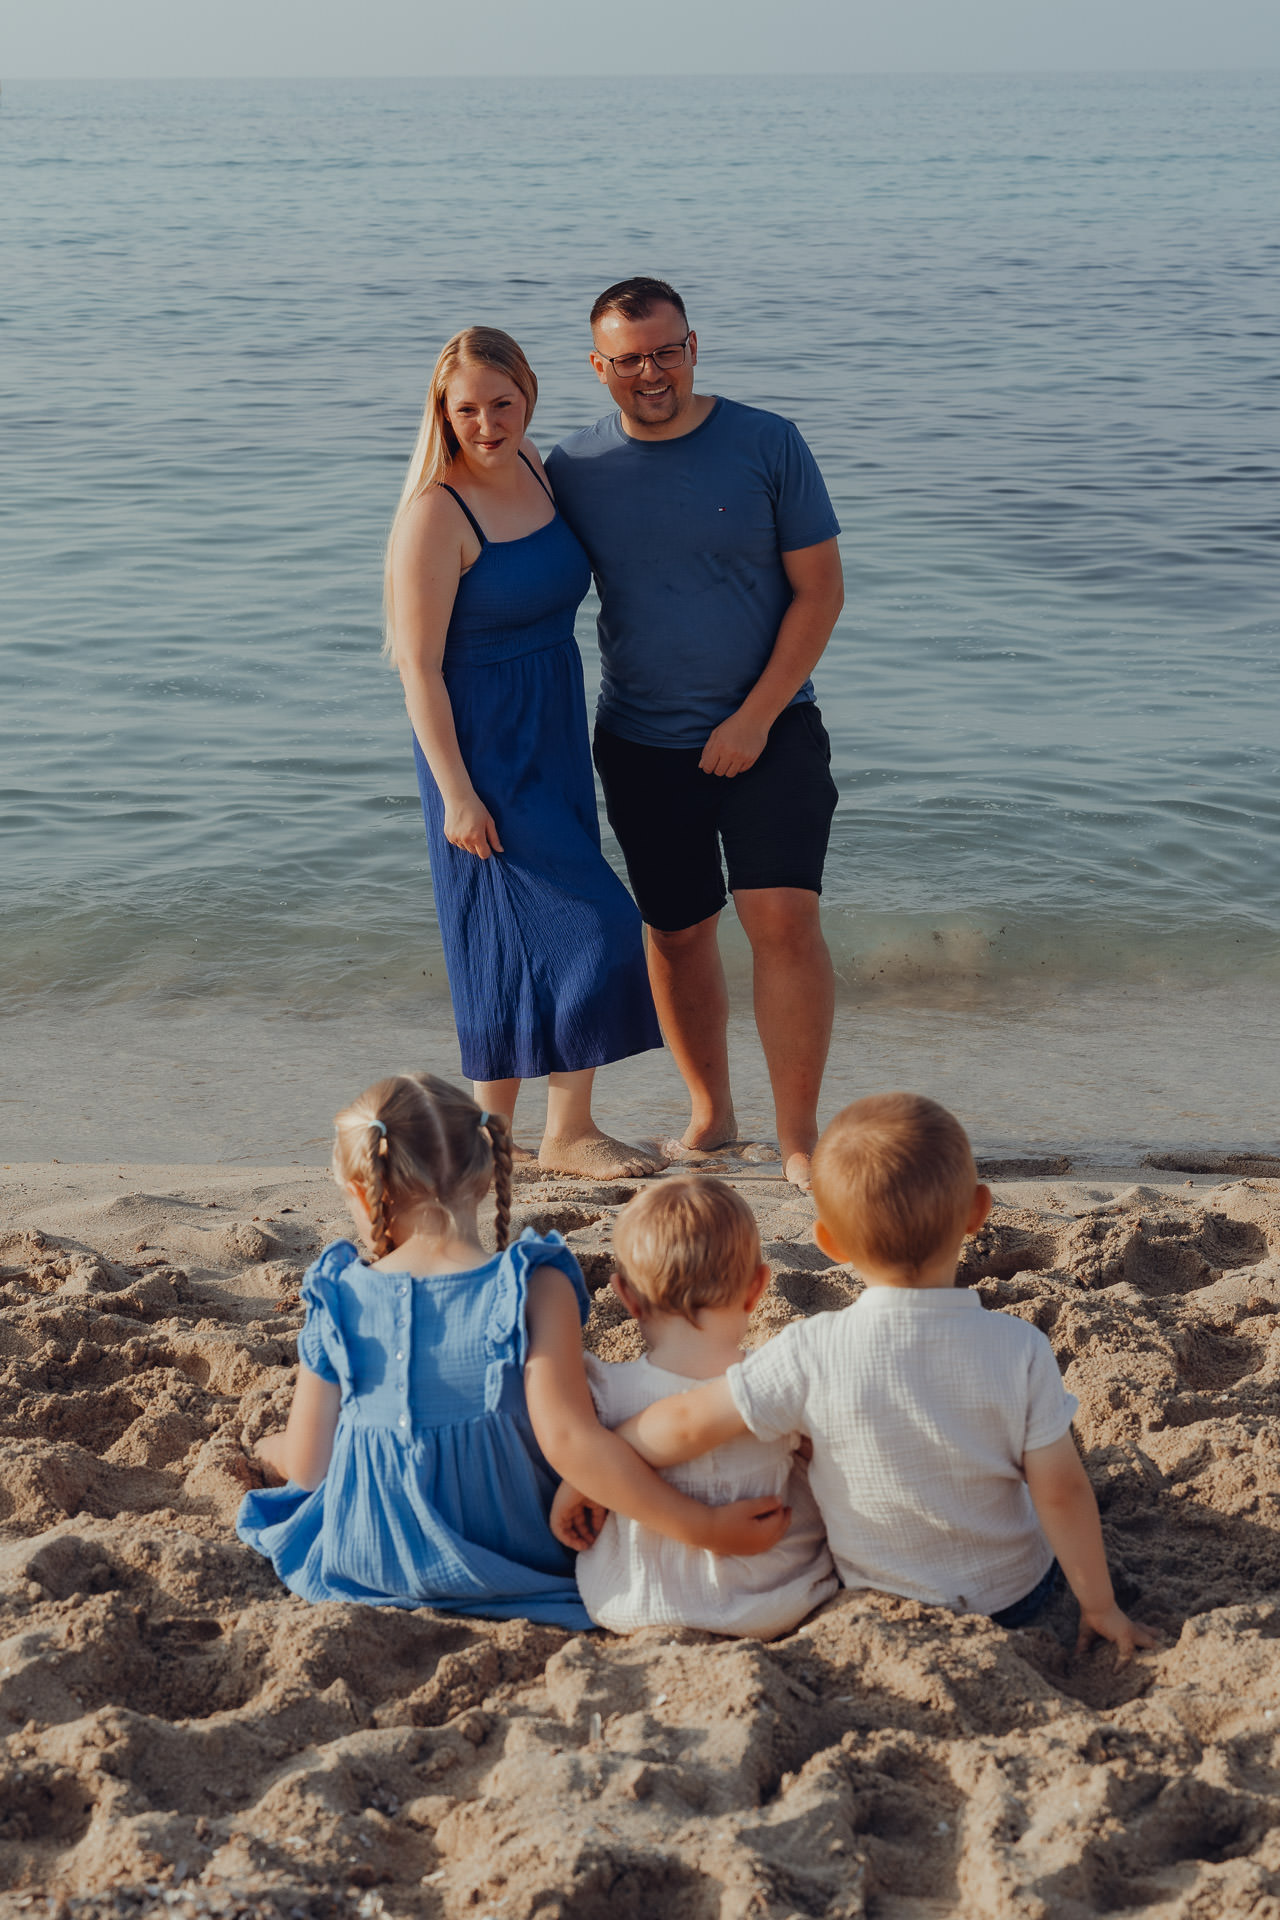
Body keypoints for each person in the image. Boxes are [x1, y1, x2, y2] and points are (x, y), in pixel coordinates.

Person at [610, 1093, 1159, 1658]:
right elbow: (1062, 1492)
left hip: (881, 1598)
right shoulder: (1020, 1348)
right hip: (1016, 1599)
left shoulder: (809, 1350)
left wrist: (602, 1462)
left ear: (829, 1244)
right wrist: (1099, 1606)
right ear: (977, 1212)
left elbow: (685, 1423)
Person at [235, 1073, 790, 1627]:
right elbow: (571, 1440)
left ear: (361, 1191)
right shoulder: (531, 1281)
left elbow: (310, 1471)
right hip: (515, 1553)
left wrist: (274, 1447)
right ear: (485, 1173)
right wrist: (702, 1527)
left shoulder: (336, 1289)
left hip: (369, 1559)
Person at [545, 278, 846, 1190]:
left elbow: (821, 590)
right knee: (675, 933)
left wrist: (753, 718)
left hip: (773, 726)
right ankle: (711, 1117)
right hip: (640, 740)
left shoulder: (767, 441)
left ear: (694, 347)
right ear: (598, 367)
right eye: (629, 358)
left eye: (667, 350)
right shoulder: (572, 468)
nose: (652, 372)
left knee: (782, 919)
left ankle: (799, 1137)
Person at [384, 327, 664, 1180]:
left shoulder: (537, 465)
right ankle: (568, 1132)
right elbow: (418, 669)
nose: (486, 423)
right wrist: (458, 794)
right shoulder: (438, 511)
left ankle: (490, 1138)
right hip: (481, 750)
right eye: (465, 408)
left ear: (529, 396)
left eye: (501, 403)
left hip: (551, 726)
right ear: (443, 410)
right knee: (596, 926)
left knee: (510, 940)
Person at [554, 1176, 837, 1637]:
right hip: (774, 1599)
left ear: (626, 1297)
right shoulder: (774, 1380)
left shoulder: (604, 1387)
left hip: (638, 1601)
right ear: (758, 1287)